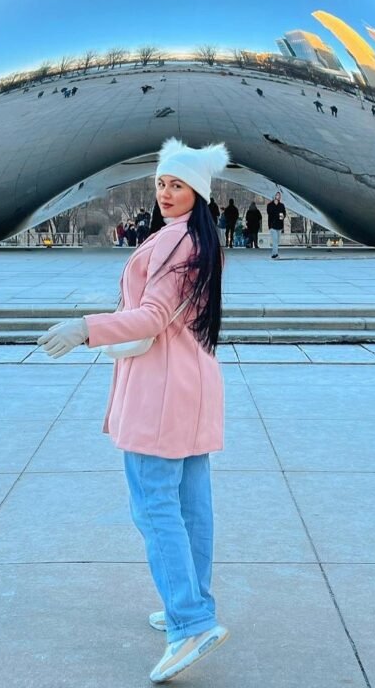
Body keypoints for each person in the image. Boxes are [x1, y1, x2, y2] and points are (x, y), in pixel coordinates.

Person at [38, 138, 231, 684]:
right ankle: (194, 604)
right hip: (189, 388)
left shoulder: (177, 246)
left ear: (199, 192)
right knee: (191, 507)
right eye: (163, 183)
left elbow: (150, 317)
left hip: (161, 394)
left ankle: (190, 622)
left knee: (154, 507)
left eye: (178, 185)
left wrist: (85, 329)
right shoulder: (195, 241)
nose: (167, 193)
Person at [266, 191, 286, 259]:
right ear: (274, 196)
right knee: (275, 240)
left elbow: (283, 213)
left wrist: (282, 216)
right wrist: (277, 214)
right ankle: (275, 254)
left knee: (277, 241)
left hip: (279, 225)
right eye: (277, 195)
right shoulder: (270, 205)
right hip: (272, 225)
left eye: (279, 195)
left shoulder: (282, 205)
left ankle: (273, 254)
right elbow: (270, 213)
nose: (278, 196)